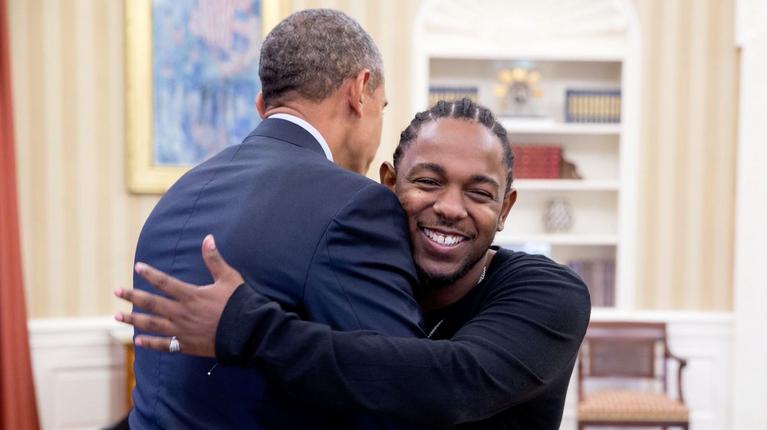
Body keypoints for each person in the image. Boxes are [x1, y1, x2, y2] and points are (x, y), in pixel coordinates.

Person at [118, 98, 592, 429]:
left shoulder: (550, 293)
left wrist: (247, 327)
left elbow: (450, 384)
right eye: (428, 181)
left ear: (504, 210)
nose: (450, 207)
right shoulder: (362, 280)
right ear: (387, 183)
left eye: (479, 193)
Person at [127, 9, 428, 429]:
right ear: (360, 92)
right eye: (383, 107)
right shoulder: (356, 204)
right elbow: (403, 392)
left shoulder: (180, 192)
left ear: (262, 106)